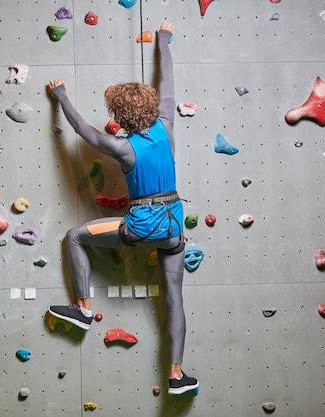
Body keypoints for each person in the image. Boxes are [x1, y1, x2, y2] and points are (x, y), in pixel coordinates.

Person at [47, 22, 199, 395]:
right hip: (173, 229)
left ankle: (83, 309)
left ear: (121, 118)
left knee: (74, 237)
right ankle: (177, 375)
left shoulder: (122, 147)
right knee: (174, 297)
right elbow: (168, 81)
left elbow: (83, 129)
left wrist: (61, 95)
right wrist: (163, 41)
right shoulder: (167, 123)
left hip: (141, 226)